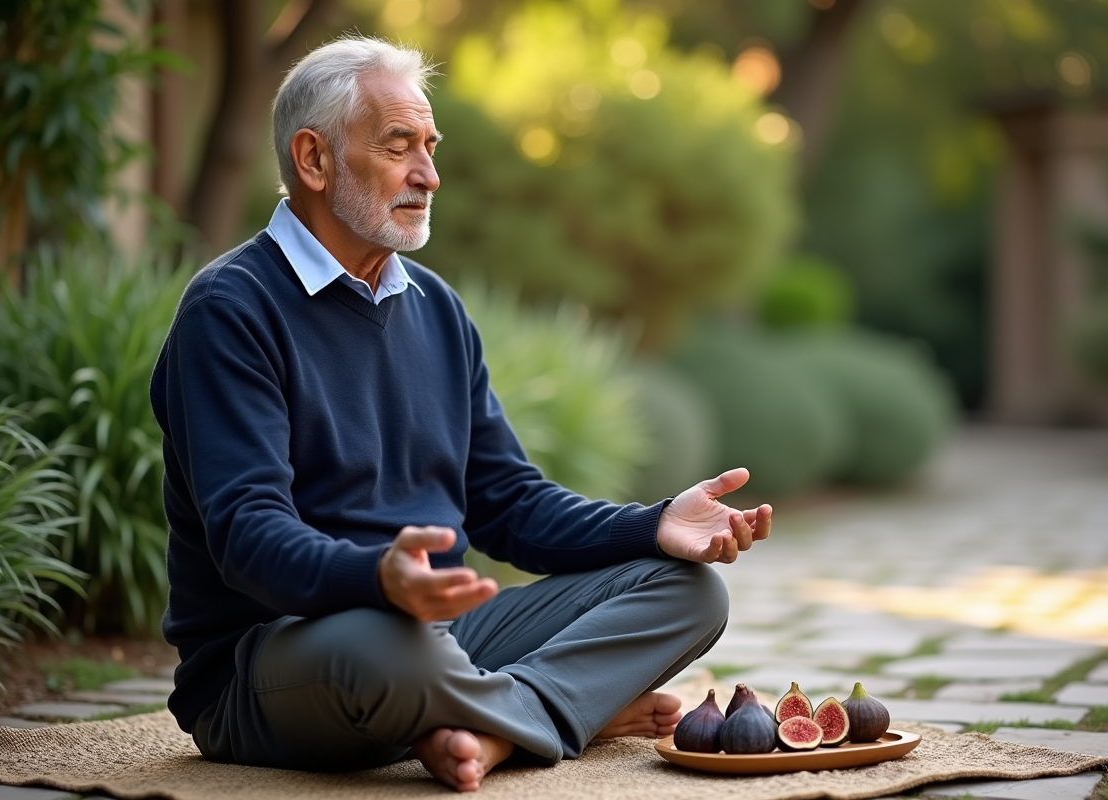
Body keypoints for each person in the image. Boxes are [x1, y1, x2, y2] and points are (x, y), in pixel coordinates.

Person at [149, 35, 771, 793]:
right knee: (397, 653)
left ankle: (494, 728)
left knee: (691, 591)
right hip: (278, 660)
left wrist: (652, 525)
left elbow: (507, 503)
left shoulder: (436, 310)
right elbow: (248, 536)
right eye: (399, 146)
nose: (429, 174)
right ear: (313, 161)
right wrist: (378, 579)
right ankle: (562, 710)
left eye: (431, 146)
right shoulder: (231, 310)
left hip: (440, 640)